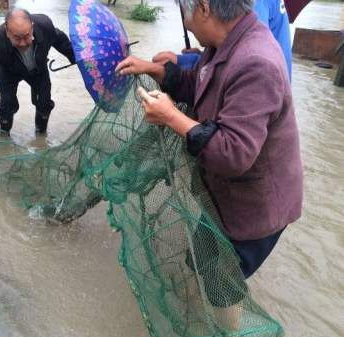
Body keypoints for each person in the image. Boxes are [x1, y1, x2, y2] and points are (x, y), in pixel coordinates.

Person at [116, 0, 302, 330]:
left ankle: (227, 330)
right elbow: (199, 86)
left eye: (185, 11)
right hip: (224, 195)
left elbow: (234, 154)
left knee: (221, 279)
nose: (186, 24)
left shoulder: (256, 61)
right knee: (201, 255)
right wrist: (156, 69)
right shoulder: (223, 44)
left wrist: (172, 118)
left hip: (256, 206)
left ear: (203, 8)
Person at [0, 7, 75, 138]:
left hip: (38, 70)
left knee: (44, 103)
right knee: (7, 105)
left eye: (26, 36)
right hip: (8, 72)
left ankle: (41, 136)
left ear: (32, 26)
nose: (22, 43)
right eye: (16, 38)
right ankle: (4, 136)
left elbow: (59, 39)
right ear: (7, 31)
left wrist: (74, 57)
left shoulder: (44, 25)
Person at [154, 0, 292, 79]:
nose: (186, 23)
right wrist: (196, 59)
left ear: (203, 8)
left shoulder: (253, 59)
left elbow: (238, 58)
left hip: (259, 90)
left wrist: (170, 116)